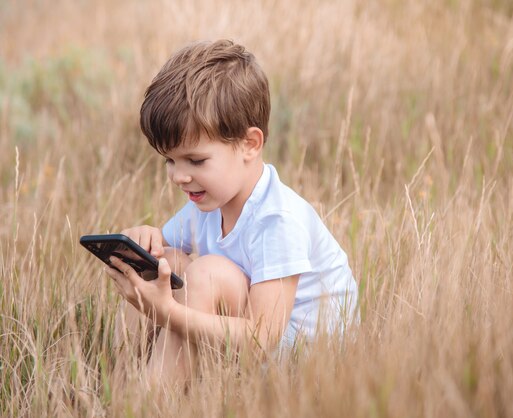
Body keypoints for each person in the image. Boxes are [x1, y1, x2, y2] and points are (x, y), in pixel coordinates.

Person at [105, 39, 358, 385]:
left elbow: (261, 340)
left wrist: (169, 312)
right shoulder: (208, 202)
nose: (178, 176)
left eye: (195, 160)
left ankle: (149, 401)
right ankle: (117, 383)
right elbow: (162, 248)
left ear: (250, 145)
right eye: (170, 160)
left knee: (207, 273)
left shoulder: (278, 221)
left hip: (299, 368)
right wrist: (144, 237)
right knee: (162, 264)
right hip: (252, 345)